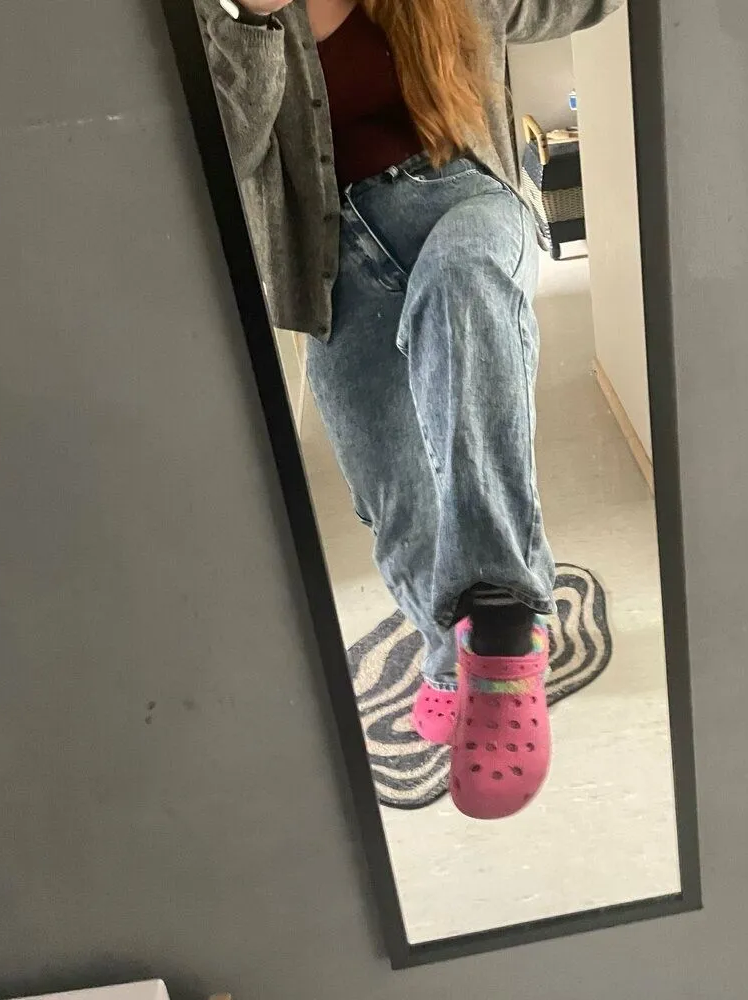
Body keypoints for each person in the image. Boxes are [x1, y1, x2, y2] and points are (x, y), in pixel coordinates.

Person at [196, 0, 623, 819]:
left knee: (463, 289)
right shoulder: (223, 19)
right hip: (334, 267)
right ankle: (443, 659)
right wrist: (247, 19)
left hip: (462, 205)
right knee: (392, 496)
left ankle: (501, 623)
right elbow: (223, 159)